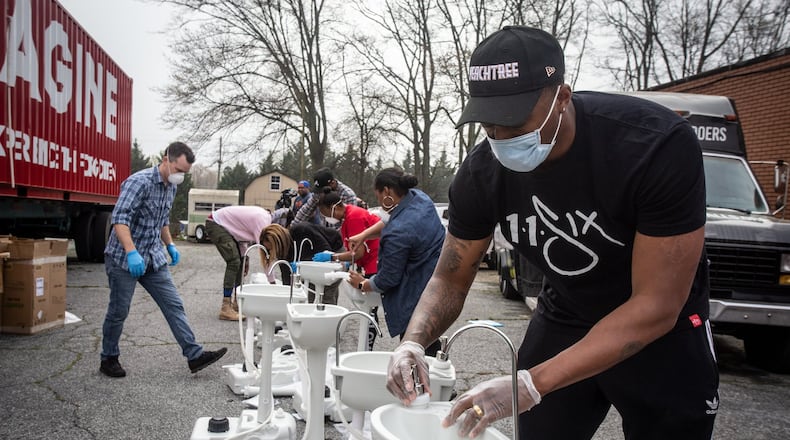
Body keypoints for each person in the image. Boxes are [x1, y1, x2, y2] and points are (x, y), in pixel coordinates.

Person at [385, 26, 718, 440]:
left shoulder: (654, 146)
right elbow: (450, 276)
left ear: (562, 96)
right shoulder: (481, 173)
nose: (503, 139)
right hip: (567, 313)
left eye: (516, 122)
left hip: (663, 330)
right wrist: (412, 343)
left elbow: (655, 305)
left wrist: (531, 382)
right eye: (490, 126)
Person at [100, 142, 227, 378]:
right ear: (166, 159)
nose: (181, 176)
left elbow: (162, 220)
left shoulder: (172, 187)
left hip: (153, 258)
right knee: (119, 311)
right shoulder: (139, 182)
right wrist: (131, 251)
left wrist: (169, 244)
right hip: (124, 259)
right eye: (178, 170)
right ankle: (108, 357)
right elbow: (120, 219)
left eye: (185, 173)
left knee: (174, 305)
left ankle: (194, 355)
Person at [345, 168, 445, 356]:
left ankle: (422, 383)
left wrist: (363, 283)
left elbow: (388, 279)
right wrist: (365, 235)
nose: (379, 202)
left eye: (378, 195)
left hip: (415, 293)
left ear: (387, 191)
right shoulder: (420, 199)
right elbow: (394, 220)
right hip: (436, 280)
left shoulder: (398, 232)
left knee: (414, 350)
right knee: (428, 341)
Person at [315, 188, 381, 348]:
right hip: (372, 261)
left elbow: (357, 252)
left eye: (326, 213)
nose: (327, 218)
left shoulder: (354, 217)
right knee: (369, 307)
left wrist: (332, 256)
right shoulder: (349, 216)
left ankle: (367, 348)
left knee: (370, 306)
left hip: (376, 261)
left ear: (334, 207)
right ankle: (366, 347)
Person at [205, 205, 272, 320]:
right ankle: (225, 307)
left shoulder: (264, 219)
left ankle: (237, 301)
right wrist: (272, 283)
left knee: (240, 262)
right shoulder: (263, 222)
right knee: (234, 262)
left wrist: (245, 259)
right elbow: (264, 252)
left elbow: (241, 237)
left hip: (227, 229)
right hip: (216, 224)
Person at [259, 222, 344, 304]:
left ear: (279, 242)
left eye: (271, 249)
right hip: (314, 262)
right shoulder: (282, 252)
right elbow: (287, 279)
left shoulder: (302, 230)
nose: (272, 253)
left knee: (325, 294)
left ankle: (329, 316)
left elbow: (326, 252)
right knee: (310, 296)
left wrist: (303, 265)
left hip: (335, 254)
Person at [291, 167, 358, 228]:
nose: (321, 193)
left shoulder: (348, 195)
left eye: (322, 189)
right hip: (325, 232)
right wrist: (293, 228)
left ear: (332, 183)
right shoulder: (319, 192)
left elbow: (349, 222)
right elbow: (305, 211)